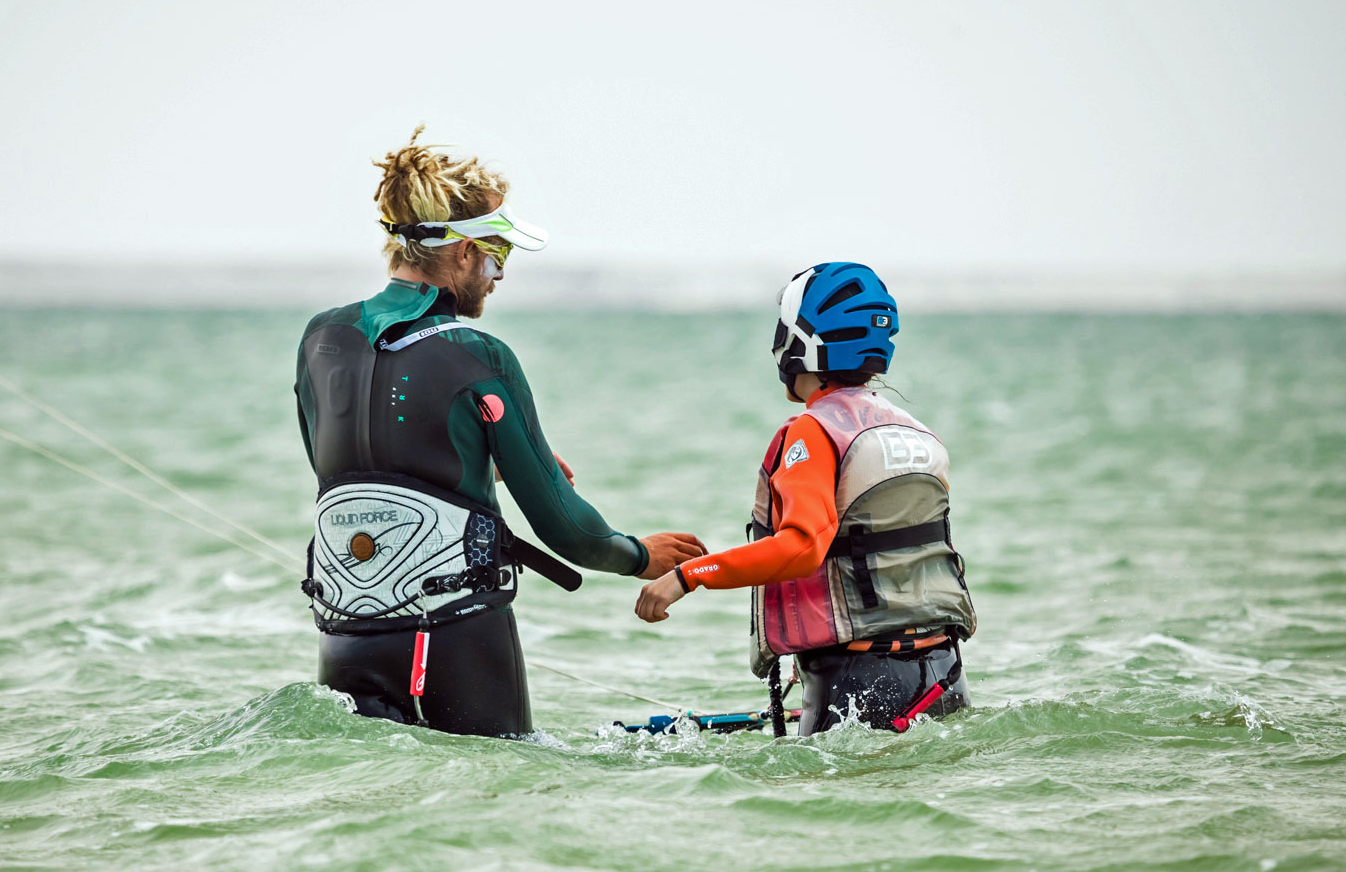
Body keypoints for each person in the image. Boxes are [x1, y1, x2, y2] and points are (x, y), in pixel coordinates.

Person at [295, 127, 704, 737]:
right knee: (501, 794)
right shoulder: (477, 352)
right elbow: (565, 528)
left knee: (371, 805)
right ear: (462, 254)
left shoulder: (321, 337)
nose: (499, 275)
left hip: (347, 630)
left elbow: (356, 470)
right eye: (497, 256)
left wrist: (484, 458)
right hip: (456, 631)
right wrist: (638, 555)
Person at [633, 263, 976, 734]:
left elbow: (801, 547)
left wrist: (687, 577)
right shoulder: (916, 434)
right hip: (944, 675)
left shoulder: (814, 432)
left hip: (860, 680)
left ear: (798, 344)